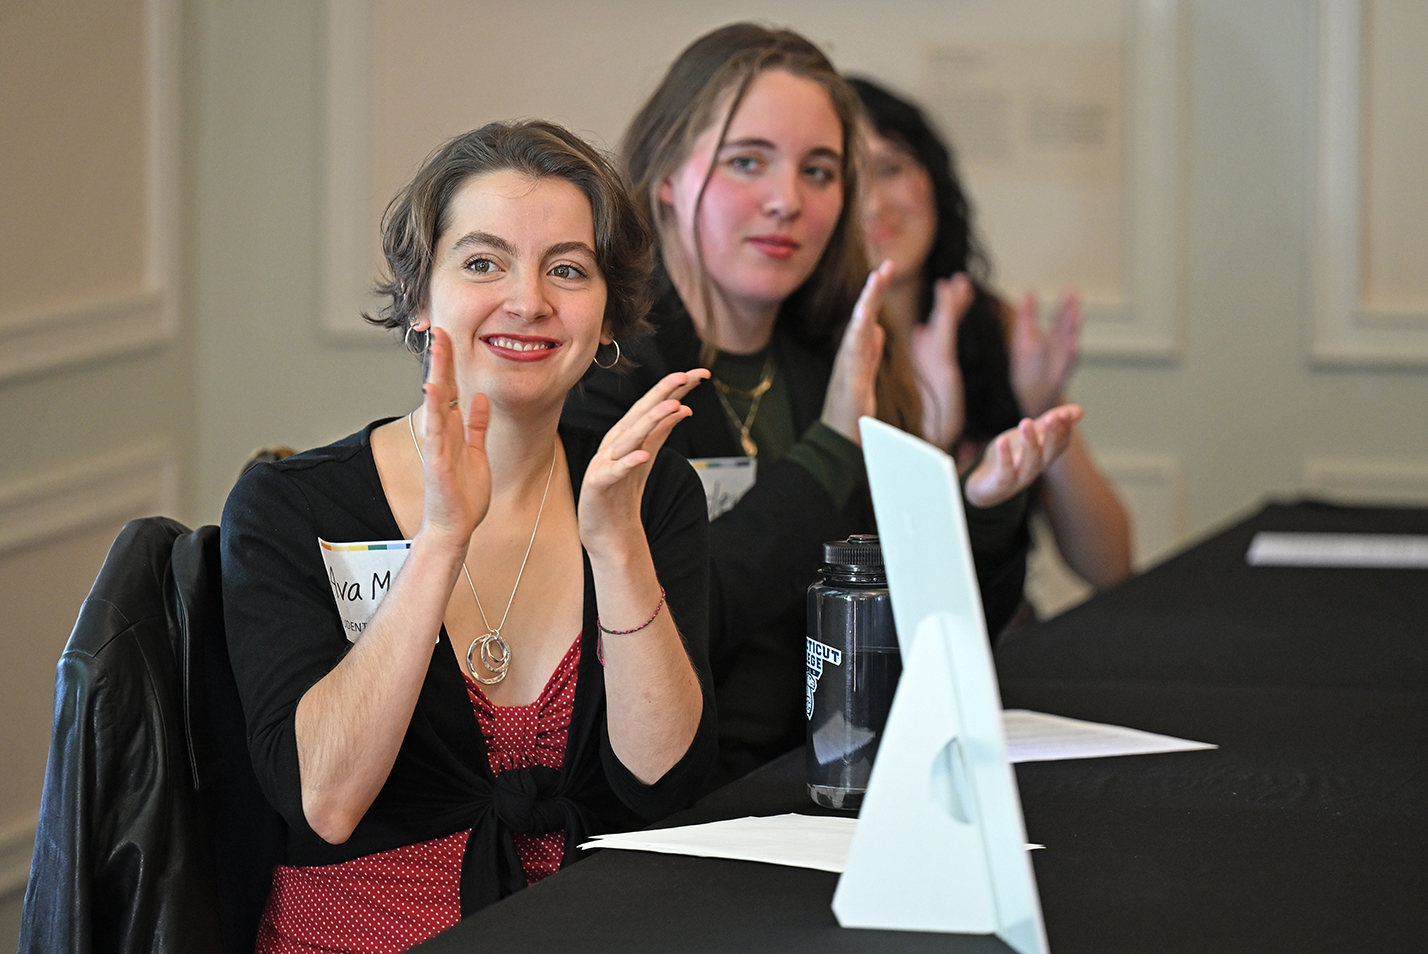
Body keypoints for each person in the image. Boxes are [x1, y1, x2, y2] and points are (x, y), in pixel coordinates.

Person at [221, 120, 717, 953]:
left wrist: (617, 544)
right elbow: (328, 801)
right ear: (420, 299)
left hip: (590, 932)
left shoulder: (643, 490)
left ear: (606, 323)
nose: (528, 300)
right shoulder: (290, 506)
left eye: (567, 269)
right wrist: (444, 536)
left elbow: (661, 779)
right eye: (482, 262)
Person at [564, 23, 1082, 785]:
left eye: (820, 171)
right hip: (666, 803)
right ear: (668, 173)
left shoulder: (838, 358)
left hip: (831, 781)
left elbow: (917, 633)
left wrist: (982, 512)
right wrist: (832, 449)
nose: (787, 201)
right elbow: (671, 620)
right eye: (749, 162)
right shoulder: (602, 369)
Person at [851, 76, 1132, 598]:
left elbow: (1111, 564)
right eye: (847, 180)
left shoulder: (992, 326)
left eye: (890, 169)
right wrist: (930, 442)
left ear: (932, 179)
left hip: (1003, 637)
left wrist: (1041, 412)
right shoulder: (808, 348)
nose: (874, 204)